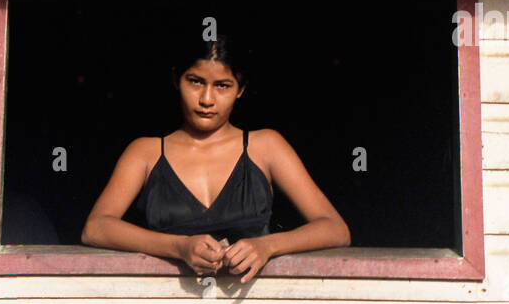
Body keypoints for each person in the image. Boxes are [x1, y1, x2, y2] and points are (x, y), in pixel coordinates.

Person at [81, 38, 350, 281]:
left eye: (222, 86)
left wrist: (267, 246)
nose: (207, 99)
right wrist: (179, 247)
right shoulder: (145, 153)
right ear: (177, 79)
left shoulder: (266, 147)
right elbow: (96, 228)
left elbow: (335, 229)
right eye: (196, 81)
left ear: (241, 88)